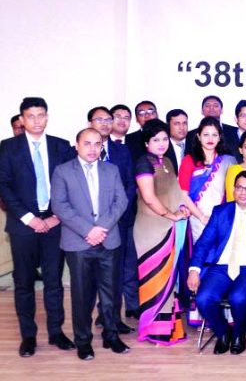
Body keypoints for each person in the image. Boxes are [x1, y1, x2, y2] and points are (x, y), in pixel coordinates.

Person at [0, 97, 76, 357]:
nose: (36, 121)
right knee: (23, 283)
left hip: (55, 223)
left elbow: (69, 185)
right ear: (21, 119)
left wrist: (56, 216)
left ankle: (56, 332)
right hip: (23, 226)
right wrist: (29, 218)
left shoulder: (61, 146)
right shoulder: (8, 147)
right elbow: (4, 186)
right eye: (30, 116)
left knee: (54, 282)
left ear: (47, 116)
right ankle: (28, 337)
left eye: (40, 115)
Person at [50, 128, 130, 360]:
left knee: (111, 293)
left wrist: (101, 228)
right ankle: (83, 340)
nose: (93, 148)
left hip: (108, 240)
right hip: (78, 242)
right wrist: (88, 230)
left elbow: (121, 200)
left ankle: (111, 335)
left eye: (97, 144)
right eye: (87, 143)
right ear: (77, 145)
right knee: (82, 295)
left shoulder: (111, 170)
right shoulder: (63, 171)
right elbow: (60, 206)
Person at [187, 170, 246, 355]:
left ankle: (238, 334)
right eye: (239, 188)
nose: (243, 192)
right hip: (222, 267)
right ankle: (223, 333)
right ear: (233, 189)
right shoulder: (220, 212)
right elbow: (204, 243)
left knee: (239, 298)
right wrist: (194, 270)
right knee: (204, 299)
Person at [133, 119, 204, 345]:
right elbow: (149, 197)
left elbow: (174, 193)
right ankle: (153, 329)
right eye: (156, 140)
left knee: (169, 278)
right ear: (146, 143)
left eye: (164, 139)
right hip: (151, 228)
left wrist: (180, 209)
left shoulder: (167, 163)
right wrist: (171, 215)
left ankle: (168, 327)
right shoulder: (144, 163)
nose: (161, 143)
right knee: (154, 277)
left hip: (170, 226)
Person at [87, 107, 137, 332]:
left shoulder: (122, 151)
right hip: (89, 226)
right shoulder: (76, 152)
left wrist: (113, 215)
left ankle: (114, 318)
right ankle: (98, 316)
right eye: (101, 119)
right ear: (90, 122)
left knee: (117, 271)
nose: (106, 123)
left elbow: (129, 185)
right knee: (93, 274)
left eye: (109, 119)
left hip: (120, 221)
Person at [178, 117, 235, 244]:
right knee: (200, 256)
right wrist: (201, 217)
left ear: (220, 137)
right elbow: (183, 194)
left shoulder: (228, 161)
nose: (210, 139)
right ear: (198, 136)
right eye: (206, 134)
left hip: (222, 218)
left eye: (214, 135)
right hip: (196, 218)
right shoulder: (189, 160)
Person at [165, 109, 189, 176]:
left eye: (184, 123)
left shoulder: (196, 144)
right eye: (177, 124)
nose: (182, 127)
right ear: (168, 125)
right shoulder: (163, 147)